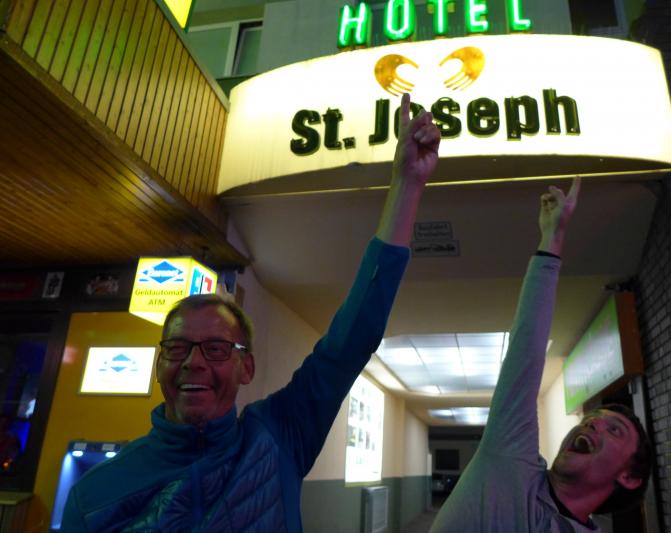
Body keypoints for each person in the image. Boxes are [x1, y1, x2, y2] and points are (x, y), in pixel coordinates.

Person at [61, 93, 441, 532]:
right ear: (160, 363)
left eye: (216, 348)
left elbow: (349, 343)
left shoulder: (279, 437)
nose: (194, 362)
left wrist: (407, 185)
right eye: (178, 347)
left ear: (247, 367)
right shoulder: (94, 496)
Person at [431, 178, 653, 532]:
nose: (591, 423)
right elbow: (527, 349)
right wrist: (553, 238)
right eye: (592, 419)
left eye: (613, 429)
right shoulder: (509, 462)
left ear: (628, 476)